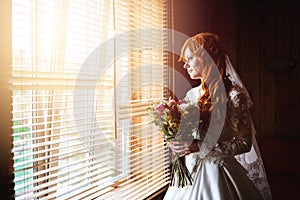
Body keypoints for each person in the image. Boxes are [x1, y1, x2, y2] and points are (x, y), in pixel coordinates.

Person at [163, 33, 272, 200]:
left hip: (219, 175)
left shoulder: (234, 96)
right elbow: (189, 138)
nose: (185, 65)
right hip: (190, 176)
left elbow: (244, 144)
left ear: (206, 58)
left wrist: (200, 146)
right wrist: (178, 142)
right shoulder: (191, 95)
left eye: (190, 58)